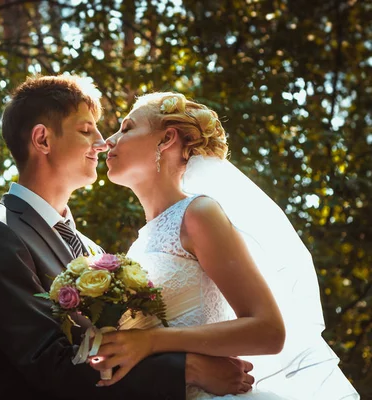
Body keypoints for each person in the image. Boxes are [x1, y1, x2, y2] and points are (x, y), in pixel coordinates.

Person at [0, 77, 256, 400]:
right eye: (86, 130)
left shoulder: (92, 250)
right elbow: (50, 367)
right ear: (42, 139)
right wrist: (188, 370)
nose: (102, 143)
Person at [93, 92, 360, 400]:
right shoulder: (141, 243)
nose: (109, 140)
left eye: (126, 128)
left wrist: (152, 341)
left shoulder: (198, 213)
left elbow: (268, 331)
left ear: (167, 138)